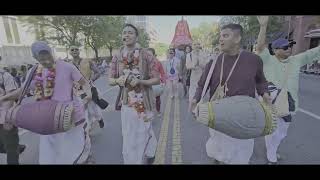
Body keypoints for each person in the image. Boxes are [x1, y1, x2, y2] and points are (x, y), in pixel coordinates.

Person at [190, 23, 271, 164]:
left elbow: (261, 81)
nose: (221, 39)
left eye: (225, 35)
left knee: (240, 152)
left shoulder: (253, 60)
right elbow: (202, 85)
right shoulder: (213, 62)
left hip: (243, 117)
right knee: (218, 147)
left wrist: (265, 93)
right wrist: (195, 99)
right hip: (218, 115)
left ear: (237, 38)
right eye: (220, 36)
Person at [0, 41, 91, 164]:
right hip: (47, 120)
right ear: (35, 58)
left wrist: (88, 96)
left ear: (51, 52)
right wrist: (4, 98)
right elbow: (22, 91)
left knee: (74, 154)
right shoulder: (33, 72)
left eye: (48, 57)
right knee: (49, 158)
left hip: (71, 117)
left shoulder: (67, 67)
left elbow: (84, 83)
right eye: (42, 59)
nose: (47, 61)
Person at [256, 16, 320, 164]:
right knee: (272, 130)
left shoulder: (296, 60)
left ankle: (272, 149)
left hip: (290, 104)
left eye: (289, 46)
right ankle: (271, 155)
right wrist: (263, 26)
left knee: (282, 133)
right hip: (270, 102)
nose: (289, 49)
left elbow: (314, 53)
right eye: (285, 47)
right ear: (276, 50)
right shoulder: (268, 59)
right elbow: (260, 47)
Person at [108, 24, 159, 164]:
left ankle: (150, 151)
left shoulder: (146, 54)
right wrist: (117, 80)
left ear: (136, 36)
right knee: (130, 136)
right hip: (127, 103)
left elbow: (156, 79)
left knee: (144, 131)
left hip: (144, 101)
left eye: (130, 32)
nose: (126, 35)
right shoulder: (117, 56)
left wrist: (141, 81)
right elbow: (110, 80)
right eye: (124, 33)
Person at [69, 46, 105, 129]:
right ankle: (86, 130)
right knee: (83, 110)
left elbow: (98, 72)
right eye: (72, 50)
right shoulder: (68, 65)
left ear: (79, 51)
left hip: (90, 89)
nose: (74, 50)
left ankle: (99, 118)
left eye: (76, 49)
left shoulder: (88, 61)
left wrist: (90, 80)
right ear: (70, 52)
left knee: (93, 109)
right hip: (78, 92)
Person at [0, 63, 26, 164]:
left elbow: (11, 98)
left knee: (11, 151)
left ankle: (14, 147)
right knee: (8, 146)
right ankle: (16, 147)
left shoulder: (4, 76)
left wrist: (6, 119)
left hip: (4, 118)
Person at [147, 48, 166, 116]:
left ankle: (158, 111)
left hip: (156, 84)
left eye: (149, 55)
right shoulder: (144, 63)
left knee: (157, 99)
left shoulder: (158, 63)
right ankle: (150, 113)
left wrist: (163, 82)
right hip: (147, 84)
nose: (147, 56)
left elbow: (163, 73)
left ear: (154, 55)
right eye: (146, 55)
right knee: (148, 100)